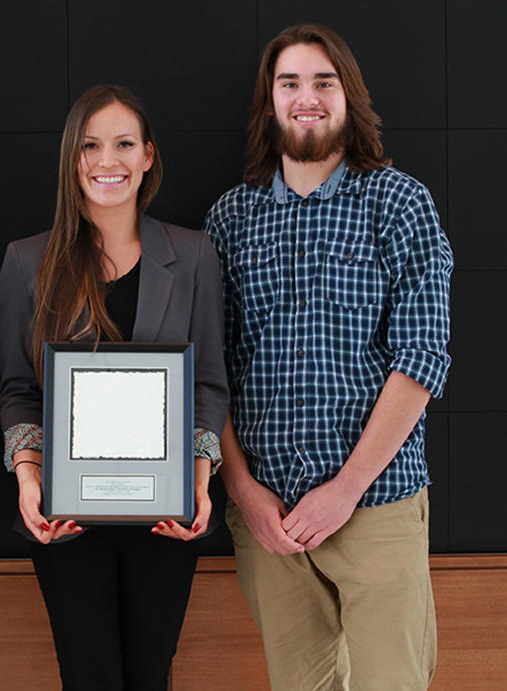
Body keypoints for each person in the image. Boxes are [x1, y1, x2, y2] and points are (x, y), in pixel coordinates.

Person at [204, 24, 452, 691]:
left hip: (376, 504)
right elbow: (210, 373)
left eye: (323, 81)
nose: (305, 97)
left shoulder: (400, 204)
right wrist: (244, 492)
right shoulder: (229, 220)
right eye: (289, 83)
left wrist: (344, 491)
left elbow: (422, 358)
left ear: (350, 97)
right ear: (269, 102)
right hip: (267, 520)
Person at [0, 85, 229, 690]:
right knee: (88, 675)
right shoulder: (27, 262)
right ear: (72, 159)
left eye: (124, 144)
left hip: (165, 518)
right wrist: (28, 479)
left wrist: (199, 480)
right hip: (67, 518)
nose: (108, 161)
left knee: (151, 675)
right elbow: (18, 390)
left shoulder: (195, 255)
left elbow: (207, 384)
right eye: (91, 146)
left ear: (148, 155)